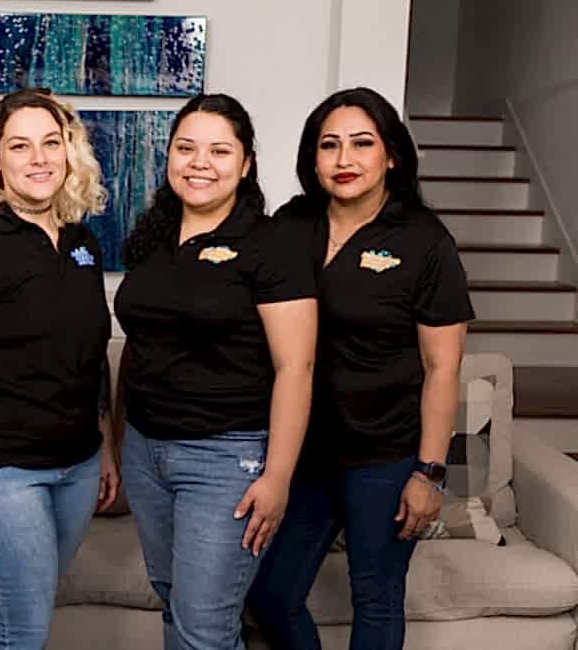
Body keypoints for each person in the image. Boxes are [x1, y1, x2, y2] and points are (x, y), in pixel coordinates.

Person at [246, 87, 475, 650]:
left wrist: (431, 473)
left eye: (361, 143)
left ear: (391, 154)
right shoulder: (291, 223)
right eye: (329, 145)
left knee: (375, 597)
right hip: (305, 454)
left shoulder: (425, 240)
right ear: (312, 157)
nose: (344, 160)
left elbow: (441, 368)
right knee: (270, 595)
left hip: (386, 456)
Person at [113, 93, 318, 649]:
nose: (200, 162)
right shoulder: (152, 239)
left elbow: (296, 366)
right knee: (173, 599)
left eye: (219, 150)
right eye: (186, 148)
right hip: (146, 450)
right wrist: (117, 439)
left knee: (204, 623)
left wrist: (276, 477)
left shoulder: (271, 244)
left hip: (226, 457)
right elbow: (138, 345)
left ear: (246, 163)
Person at [0, 87, 121, 650]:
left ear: (69, 152)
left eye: (51, 143)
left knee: (24, 617)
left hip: (77, 465)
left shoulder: (83, 242)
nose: (38, 158)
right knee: (20, 632)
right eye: (20, 146)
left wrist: (104, 443)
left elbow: (90, 348)